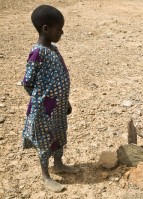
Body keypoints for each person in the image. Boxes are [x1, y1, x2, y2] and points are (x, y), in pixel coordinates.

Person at [22, 5, 79, 192]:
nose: (62, 32)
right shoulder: (37, 52)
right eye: (59, 28)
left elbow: (59, 77)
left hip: (59, 106)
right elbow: (28, 82)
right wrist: (42, 100)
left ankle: (59, 164)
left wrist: (65, 101)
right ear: (46, 29)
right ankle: (46, 175)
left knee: (59, 133)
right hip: (44, 109)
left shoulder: (53, 49)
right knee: (46, 139)